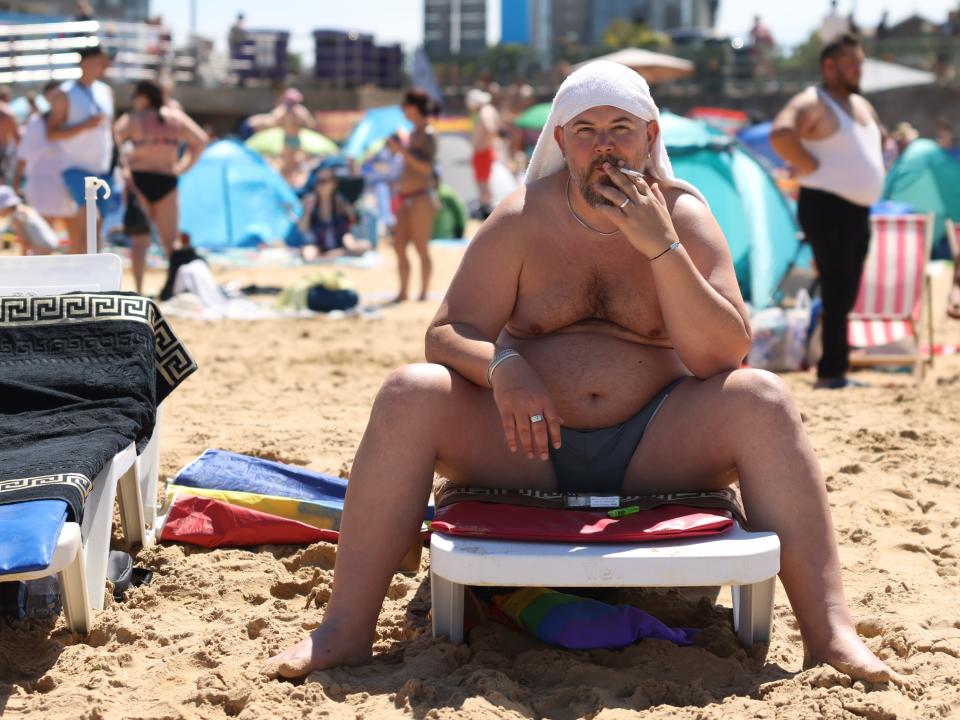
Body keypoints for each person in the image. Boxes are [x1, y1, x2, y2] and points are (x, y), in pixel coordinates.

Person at [262, 60, 902, 686]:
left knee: (763, 399)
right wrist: (504, 364)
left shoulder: (684, 216)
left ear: (651, 136)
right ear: (560, 140)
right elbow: (447, 332)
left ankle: (830, 635)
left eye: (620, 128)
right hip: (525, 444)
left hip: (656, 445)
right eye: (586, 130)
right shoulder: (522, 218)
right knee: (409, 391)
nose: (605, 147)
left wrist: (661, 246)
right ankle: (343, 630)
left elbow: (720, 358)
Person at [771, 34, 885, 390]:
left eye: (860, 62)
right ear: (829, 65)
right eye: (851, 63)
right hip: (827, 204)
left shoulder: (858, 103)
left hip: (855, 210)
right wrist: (808, 163)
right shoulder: (814, 100)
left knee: (846, 289)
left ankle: (836, 367)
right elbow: (781, 133)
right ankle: (831, 372)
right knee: (837, 288)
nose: (858, 69)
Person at [113, 79, 208, 294]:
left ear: (144, 96)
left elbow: (114, 137)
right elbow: (201, 140)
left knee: (139, 241)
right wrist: (184, 165)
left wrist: (124, 166)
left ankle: (139, 290)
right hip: (167, 178)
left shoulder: (135, 119)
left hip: (140, 179)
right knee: (170, 242)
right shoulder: (175, 117)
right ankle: (173, 287)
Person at [45, 43, 114, 254]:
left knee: (96, 226)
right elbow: (51, 133)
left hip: (102, 168)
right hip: (75, 167)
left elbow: (111, 132)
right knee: (91, 219)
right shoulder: (64, 94)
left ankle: (87, 272)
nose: (103, 66)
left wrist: (123, 166)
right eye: (98, 61)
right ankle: (81, 271)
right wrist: (85, 126)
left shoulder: (105, 91)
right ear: (85, 63)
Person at [387, 88, 440, 302]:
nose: (403, 110)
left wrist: (402, 152)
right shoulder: (412, 133)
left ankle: (423, 293)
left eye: (405, 106)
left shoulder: (428, 133)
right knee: (399, 245)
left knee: (420, 246)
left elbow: (426, 168)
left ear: (413, 107)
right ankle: (403, 292)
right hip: (405, 196)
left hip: (421, 197)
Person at [12, 81, 77, 232]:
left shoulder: (75, 121)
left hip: (70, 185)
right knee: (45, 237)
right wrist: (15, 185)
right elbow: (23, 156)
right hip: (43, 186)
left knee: (77, 234)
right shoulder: (36, 122)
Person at [299, 166, 372, 260]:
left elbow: (353, 222)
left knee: (364, 245)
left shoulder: (341, 201)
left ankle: (331, 255)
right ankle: (332, 255)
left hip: (341, 242)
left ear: (334, 183)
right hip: (318, 244)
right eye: (318, 181)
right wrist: (307, 212)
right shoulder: (311, 202)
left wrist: (349, 210)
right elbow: (303, 229)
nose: (320, 185)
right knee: (307, 253)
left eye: (324, 181)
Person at [466, 88, 501, 220]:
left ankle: (487, 210)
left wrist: (483, 144)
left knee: (483, 184)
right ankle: (487, 207)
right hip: (485, 151)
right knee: (485, 182)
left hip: (482, 152)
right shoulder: (490, 110)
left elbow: (490, 128)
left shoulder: (484, 112)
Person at [0, 185, 59, 255]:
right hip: (49, 243)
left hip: (42, 247)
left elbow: (24, 242)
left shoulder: (17, 218)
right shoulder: (23, 209)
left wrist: (23, 258)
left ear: (5, 207)